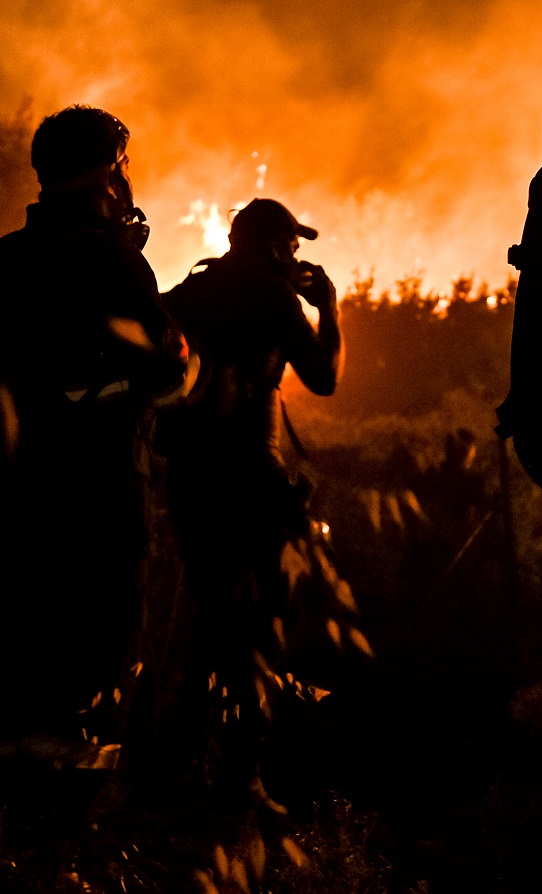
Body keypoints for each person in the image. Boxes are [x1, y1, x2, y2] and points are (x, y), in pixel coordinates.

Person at [0, 105, 187, 761]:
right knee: (97, 650)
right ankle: (53, 814)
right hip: (97, 495)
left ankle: (9, 815)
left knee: (27, 649)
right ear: (110, 174)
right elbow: (165, 375)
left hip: (14, 500)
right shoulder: (111, 262)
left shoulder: (0, 262)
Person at [158, 197, 341, 793]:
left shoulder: (190, 291)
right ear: (271, 245)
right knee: (257, 626)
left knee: (206, 613)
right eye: (291, 245)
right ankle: (242, 777)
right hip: (252, 481)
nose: (296, 257)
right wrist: (329, 309)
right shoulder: (273, 297)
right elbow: (324, 378)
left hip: (190, 478)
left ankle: (177, 763)